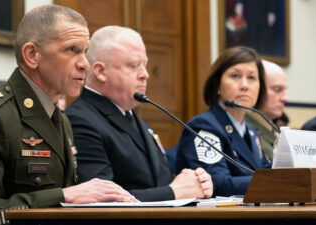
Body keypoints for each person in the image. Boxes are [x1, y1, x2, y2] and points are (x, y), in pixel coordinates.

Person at [0, 5, 137, 225]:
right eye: (72, 50)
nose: (84, 64)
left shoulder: (61, 119)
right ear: (32, 55)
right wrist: (63, 196)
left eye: (85, 52)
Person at [66, 25, 213, 202]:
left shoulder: (131, 117)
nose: (145, 74)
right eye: (134, 65)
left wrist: (195, 182)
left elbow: (155, 182)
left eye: (145, 65)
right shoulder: (80, 120)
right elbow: (99, 201)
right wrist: (174, 191)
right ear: (100, 71)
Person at [175, 46, 271, 197]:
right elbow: (218, 183)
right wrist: (273, 181)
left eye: (251, 78)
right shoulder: (204, 127)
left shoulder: (251, 132)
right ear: (217, 85)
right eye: (235, 76)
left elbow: (268, 172)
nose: (245, 85)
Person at [245, 60, 288, 161]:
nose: (285, 98)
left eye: (285, 90)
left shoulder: (273, 129)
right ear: (257, 89)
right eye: (277, 90)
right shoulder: (244, 130)